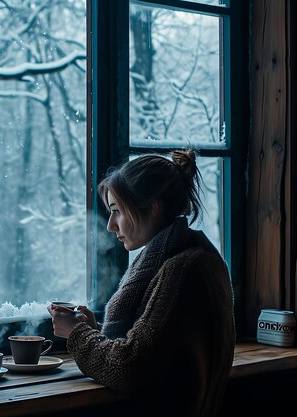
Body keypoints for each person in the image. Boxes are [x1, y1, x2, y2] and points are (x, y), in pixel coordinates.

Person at [48, 150, 235, 417]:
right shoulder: (186, 257)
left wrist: (78, 334)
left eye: (117, 211)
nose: (111, 225)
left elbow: (130, 366)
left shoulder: (182, 269)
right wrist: (93, 330)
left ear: (151, 209)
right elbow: (159, 345)